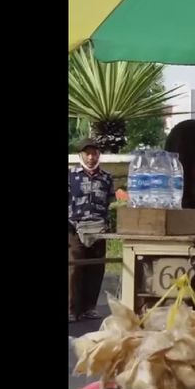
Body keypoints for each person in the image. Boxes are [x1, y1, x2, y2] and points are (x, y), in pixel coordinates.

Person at [68, 138, 116, 322]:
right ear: (81, 155)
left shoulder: (106, 178)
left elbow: (111, 203)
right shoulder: (71, 176)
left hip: (99, 229)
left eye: (94, 153)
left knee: (96, 268)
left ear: (99, 155)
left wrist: (110, 225)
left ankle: (90, 308)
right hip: (75, 228)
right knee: (74, 268)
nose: (91, 157)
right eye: (87, 153)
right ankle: (72, 309)